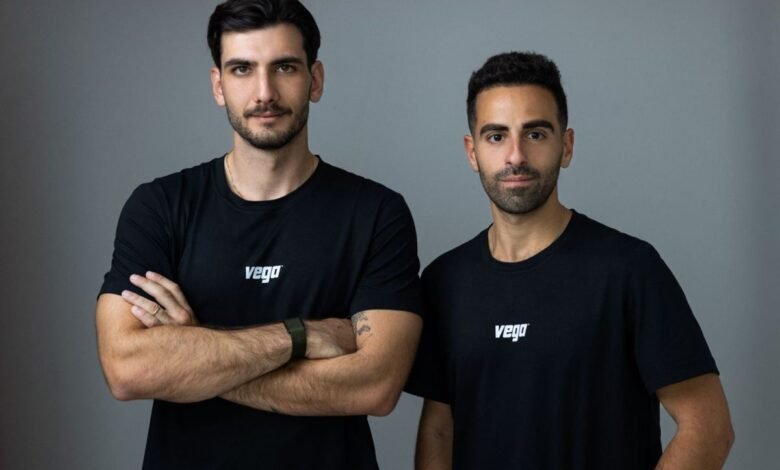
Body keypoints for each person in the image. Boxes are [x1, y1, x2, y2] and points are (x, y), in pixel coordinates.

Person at [95, 1, 422, 468]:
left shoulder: (375, 213)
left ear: (316, 79)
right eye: (242, 69)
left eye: (284, 67)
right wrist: (300, 334)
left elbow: (376, 385)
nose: (264, 92)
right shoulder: (160, 207)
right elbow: (127, 369)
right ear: (218, 85)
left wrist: (195, 354)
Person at [406, 51, 734, 469]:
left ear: (567, 145)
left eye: (536, 134)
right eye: (496, 136)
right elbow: (439, 429)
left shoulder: (628, 270)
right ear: (472, 151)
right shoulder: (445, 281)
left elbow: (708, 427)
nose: (516, 156)